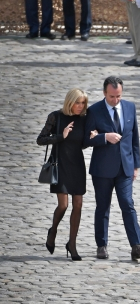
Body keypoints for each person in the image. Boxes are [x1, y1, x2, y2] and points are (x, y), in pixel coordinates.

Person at [83, 76, 140, 261]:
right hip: (102, 170)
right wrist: (104, 137)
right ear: (105, 93)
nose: (116, 100)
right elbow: (85, 141)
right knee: (102, 207)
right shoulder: (94, 111)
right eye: (112, 96)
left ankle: (137, 245)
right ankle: (101, 245)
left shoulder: (130, 107)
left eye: (118, 96)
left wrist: (136, 165)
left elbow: (134, 138)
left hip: (125, 168)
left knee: (127, 203)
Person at [37, 89, 90, 261]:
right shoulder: (56, 117)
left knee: (78, 205)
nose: (80, 107)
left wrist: (92, 138)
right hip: (60, 165)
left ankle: (72, 244)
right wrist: (61, 136)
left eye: (83, 103)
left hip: (77, 166)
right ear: (70, 102)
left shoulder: (84, 119)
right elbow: (41, 139)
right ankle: (52, 231)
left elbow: (82, 144)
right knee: (63, 205)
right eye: (77, 103)